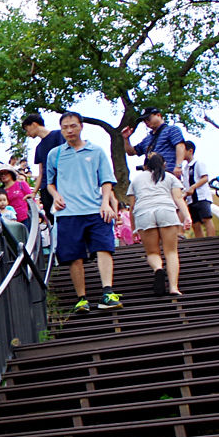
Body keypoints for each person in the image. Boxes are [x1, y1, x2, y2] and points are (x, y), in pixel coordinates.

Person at [47, 110, 121, 313]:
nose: (69, 130)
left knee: (104, 248)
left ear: (81, 126)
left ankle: (107, 292)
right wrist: (55, 196)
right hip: (67, 212)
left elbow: (106, 180)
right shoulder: (55, 154)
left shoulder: (96, 151)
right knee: (73, 256)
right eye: (65, 127)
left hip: (95, 209)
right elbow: (49, 183)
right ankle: (82, 298)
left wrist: (106, 203)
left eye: (73, 126)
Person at [127, 152, 192, 296]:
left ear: (145, 166)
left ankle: (158, 269)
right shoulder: (169, 177)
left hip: (144, 213)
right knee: (171, 252)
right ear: (164, 165)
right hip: (166, 210)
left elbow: (132, 207)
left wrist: (134, 229)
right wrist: (187, 217)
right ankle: (174, 287)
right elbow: (178, 199)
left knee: (152, 252)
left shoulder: (136, 180)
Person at [126, 106, 186, 173]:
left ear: (158, 115)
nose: (146, 122)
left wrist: (178, 166)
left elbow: (180, 146)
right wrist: (126, 139)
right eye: (144, 121)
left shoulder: (172, 130)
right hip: (150, 176)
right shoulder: (147, 139)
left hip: (167, 173)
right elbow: (131, 152)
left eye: (148, 119)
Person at [25, 113, 63, 220]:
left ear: (33, 124)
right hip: (46, 188)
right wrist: (34, 193)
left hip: (61, 184)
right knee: (51, 218)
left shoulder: (58, 135)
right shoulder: (39, 148)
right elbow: (41, 172)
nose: (28, 134)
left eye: (27, 129)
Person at [178, 141, 216, 238]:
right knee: (195, 222)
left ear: (190, 151)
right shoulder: (185, 168)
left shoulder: (198, 163)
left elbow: (205, 178)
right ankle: (200, 241)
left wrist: (193, 187)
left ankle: (211, 239)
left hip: (201, 196)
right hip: (191, 199)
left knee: (206, 218)